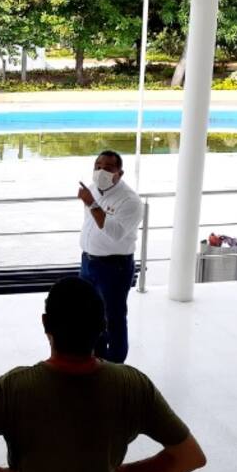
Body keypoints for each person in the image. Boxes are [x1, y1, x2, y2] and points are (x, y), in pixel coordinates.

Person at [0, 277, 206, 472]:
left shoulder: (13, 388)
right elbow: (190, 456)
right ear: (103, 327)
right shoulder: (132, 385)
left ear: (45, 324)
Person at [77, 150, 143, 363]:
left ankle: (115, 367)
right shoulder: (93, 189)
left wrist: (92, 204)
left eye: (108, 167)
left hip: (114, 267)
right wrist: (91, 202)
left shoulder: (130, 200)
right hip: (88, 262)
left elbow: (115, 232)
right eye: (98, 166)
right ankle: (95, 360)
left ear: (119, 173)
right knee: (89, 315)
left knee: (113, 318)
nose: (101, 171)